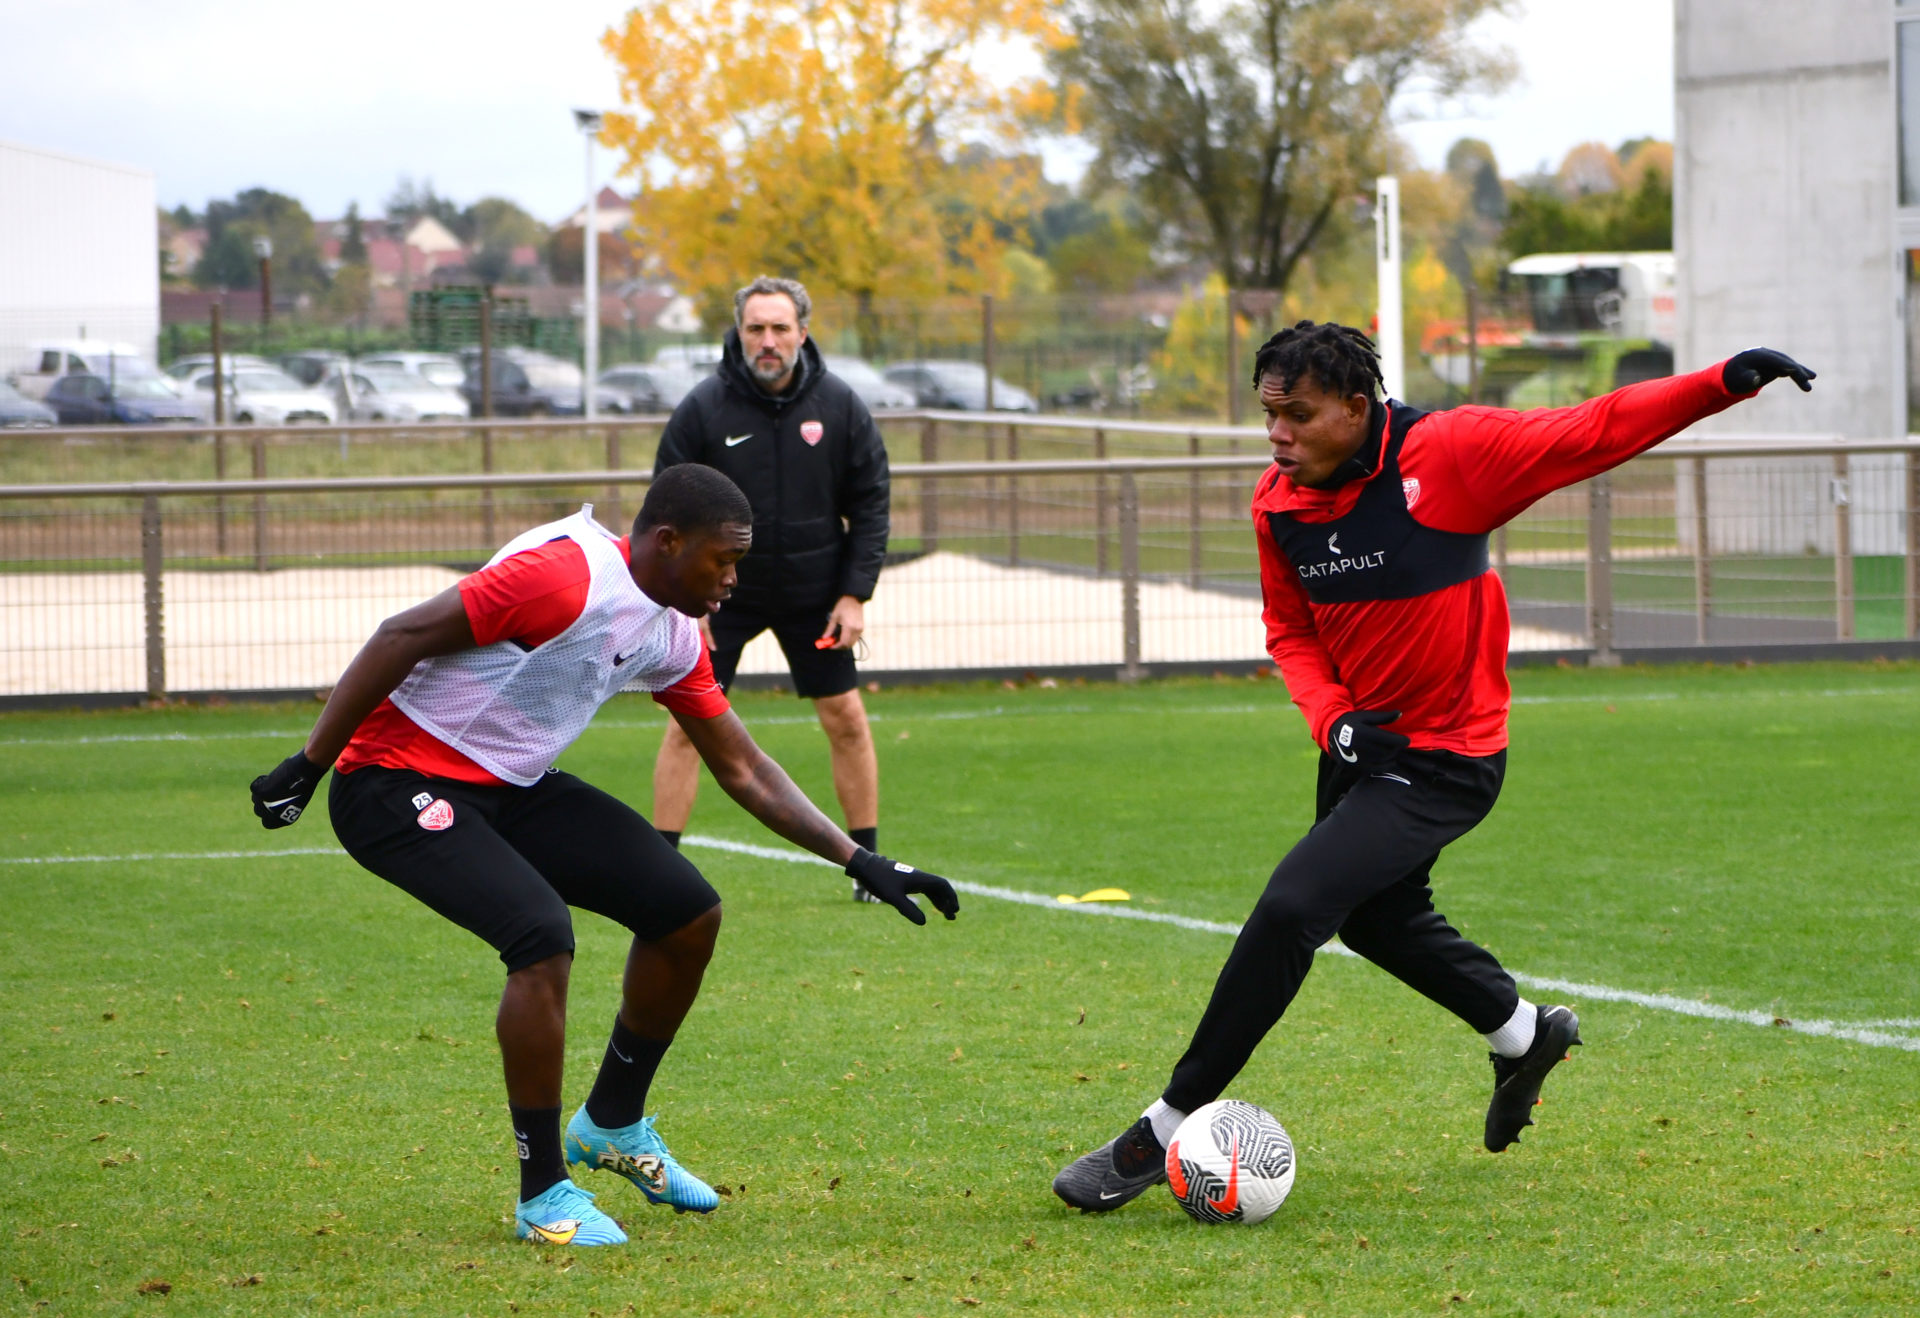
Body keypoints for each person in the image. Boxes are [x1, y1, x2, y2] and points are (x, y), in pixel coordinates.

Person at [1053, 324, 1816, 1212]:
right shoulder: (1278, 503)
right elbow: (1290, 630)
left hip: (1448, 758)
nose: (1278, 436)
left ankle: (1166, 1123)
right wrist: (1335, 723)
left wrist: (1721, 382)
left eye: (1298, 416)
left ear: (1355, 406)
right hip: (1361, 755)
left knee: (1296, 906)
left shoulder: (1448, 456)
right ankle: (1524, 1034)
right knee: (1376, 921)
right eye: (1269, 415)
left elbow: (1591, 428)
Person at [248, 464, 958, 1247]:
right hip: (391, 779)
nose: (730, 580)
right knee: (540, 937)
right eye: (721, 561)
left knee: (686, 913)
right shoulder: (561, 578)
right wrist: (309, 765)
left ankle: (613, 1123)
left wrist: (861, 860)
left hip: (511, 783)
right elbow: (401, 635)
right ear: (667, 541)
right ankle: (542, 1191)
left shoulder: (674, 630)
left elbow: (744, 767)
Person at [650, 276, 891, 901]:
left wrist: (854, 594)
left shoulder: (840, 406)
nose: (768, 341)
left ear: (803, 334)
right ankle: (659, 864)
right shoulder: (704, 409)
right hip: (716, 594)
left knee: (845, 719)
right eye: (756, 328)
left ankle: (868, 861)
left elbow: (871, 505)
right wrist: (681, 603)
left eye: (780, 328)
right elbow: (665, 511)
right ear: (739, 332)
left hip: (816, 591)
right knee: (686, 725)